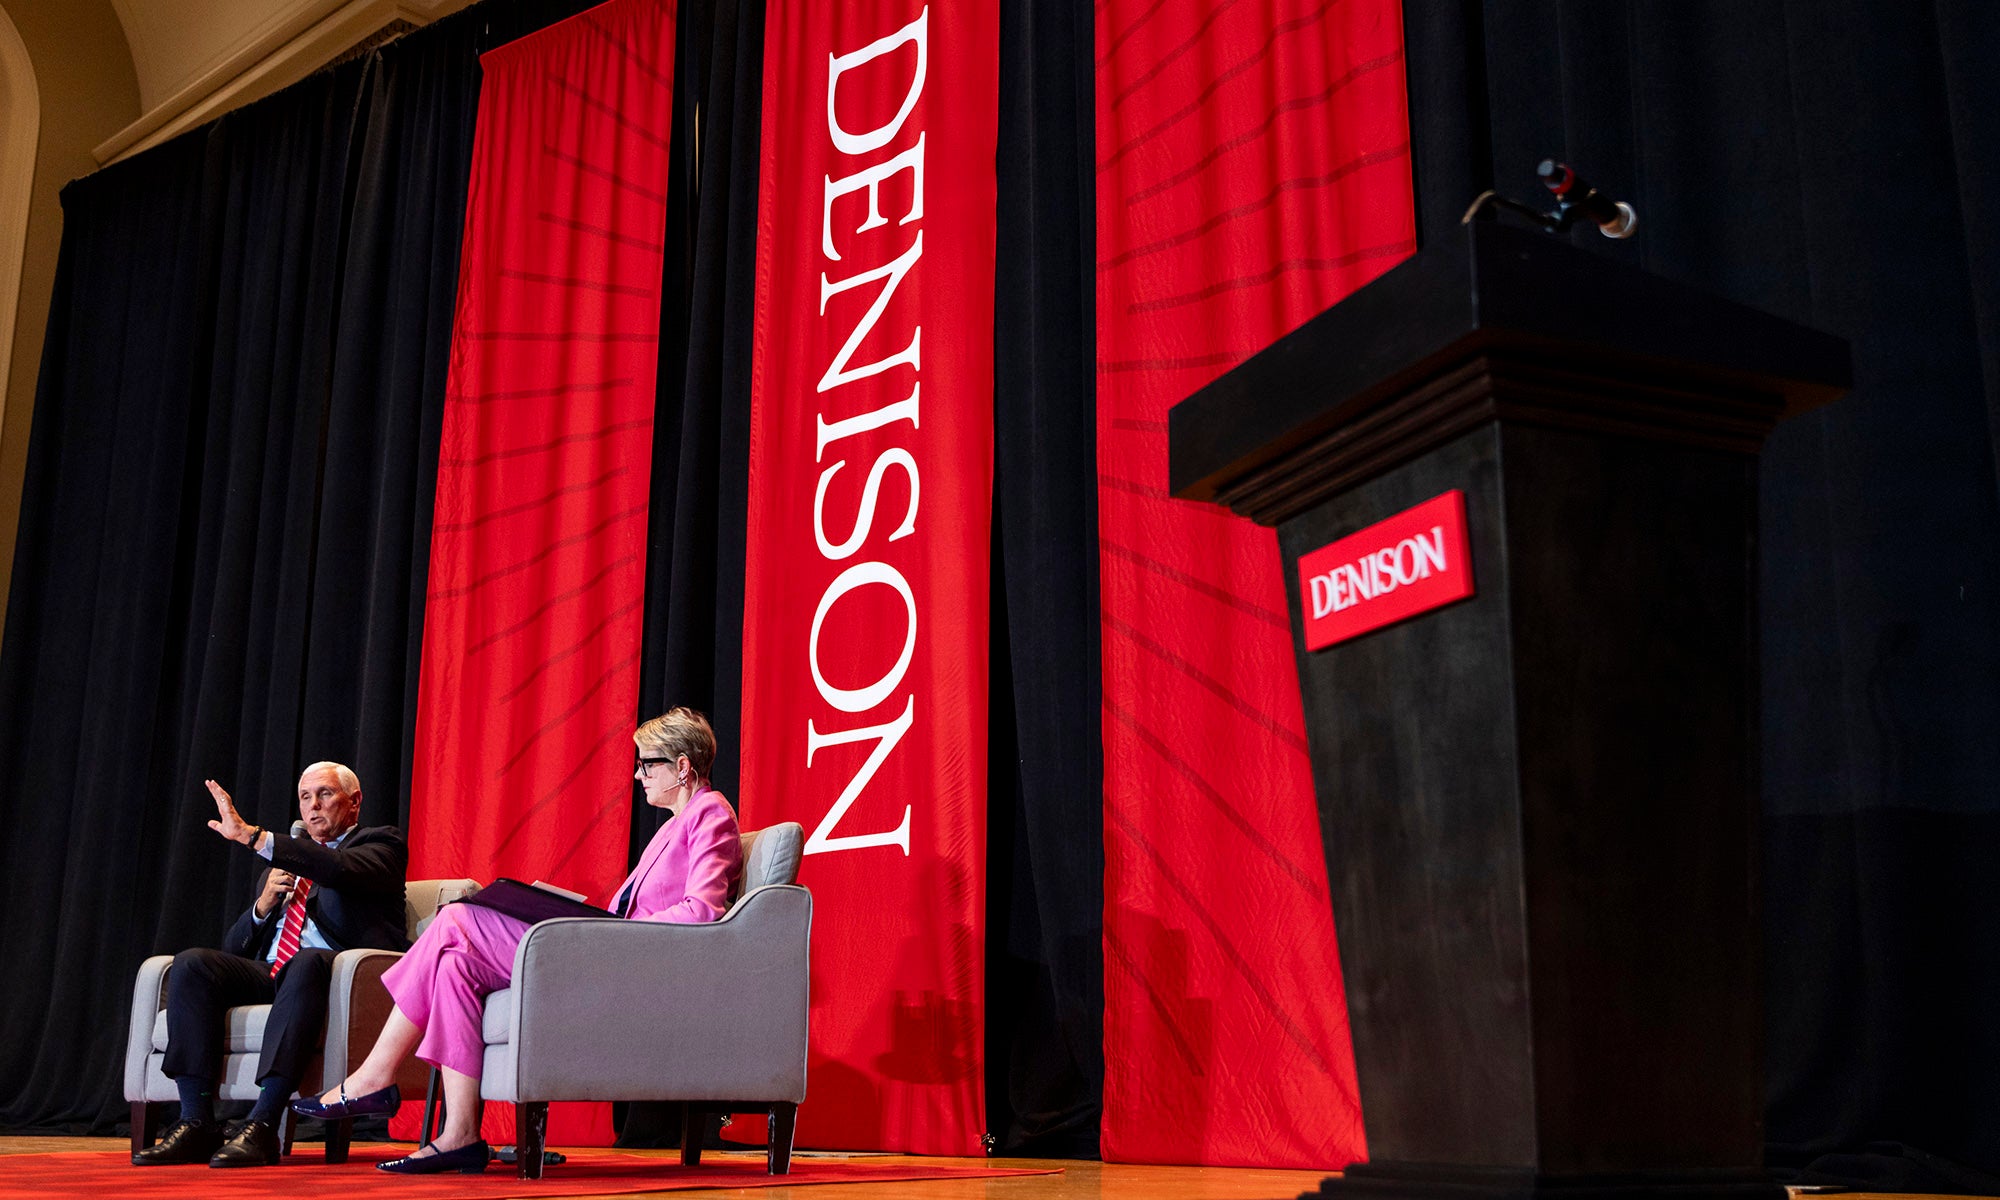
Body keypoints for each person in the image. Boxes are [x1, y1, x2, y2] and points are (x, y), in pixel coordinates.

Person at [291, 707, 744, 1175]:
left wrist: (611, 929)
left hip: (627, 958)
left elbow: (701, 913)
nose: (638, 773)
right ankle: (460, 1134)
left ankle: (374, 1075)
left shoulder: (710, 813)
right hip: (610, 946)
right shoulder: (671, 826)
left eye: (647, 764)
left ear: (683, 767)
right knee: (455, 966)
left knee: (455, 922)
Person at [133, 763, 410, 1168]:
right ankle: (196, 1122)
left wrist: (255, 837)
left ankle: (263, 1123)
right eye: (304, 798)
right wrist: (261, 909)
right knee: (193, 964)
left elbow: (336, 869)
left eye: (325, 794)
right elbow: (235, 950)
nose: (313, 807)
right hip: (278, 976)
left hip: (340, 979)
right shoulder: (281, 870)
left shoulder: (380, 844)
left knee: (306, 961)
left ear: (354, 802)